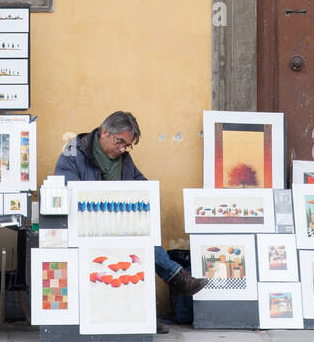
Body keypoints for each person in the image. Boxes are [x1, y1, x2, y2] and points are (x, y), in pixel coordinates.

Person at [55, 110, 207, 330]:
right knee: (135, 241)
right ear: (105, 133)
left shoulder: (123, 160)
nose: (123, 149)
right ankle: (176, 278)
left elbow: (142, 185)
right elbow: (65, 188)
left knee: (141, 239)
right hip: (84, 227)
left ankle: (142, 317)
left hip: (118, 225)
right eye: (120, 142)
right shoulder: (73, 153)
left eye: (127, 145)